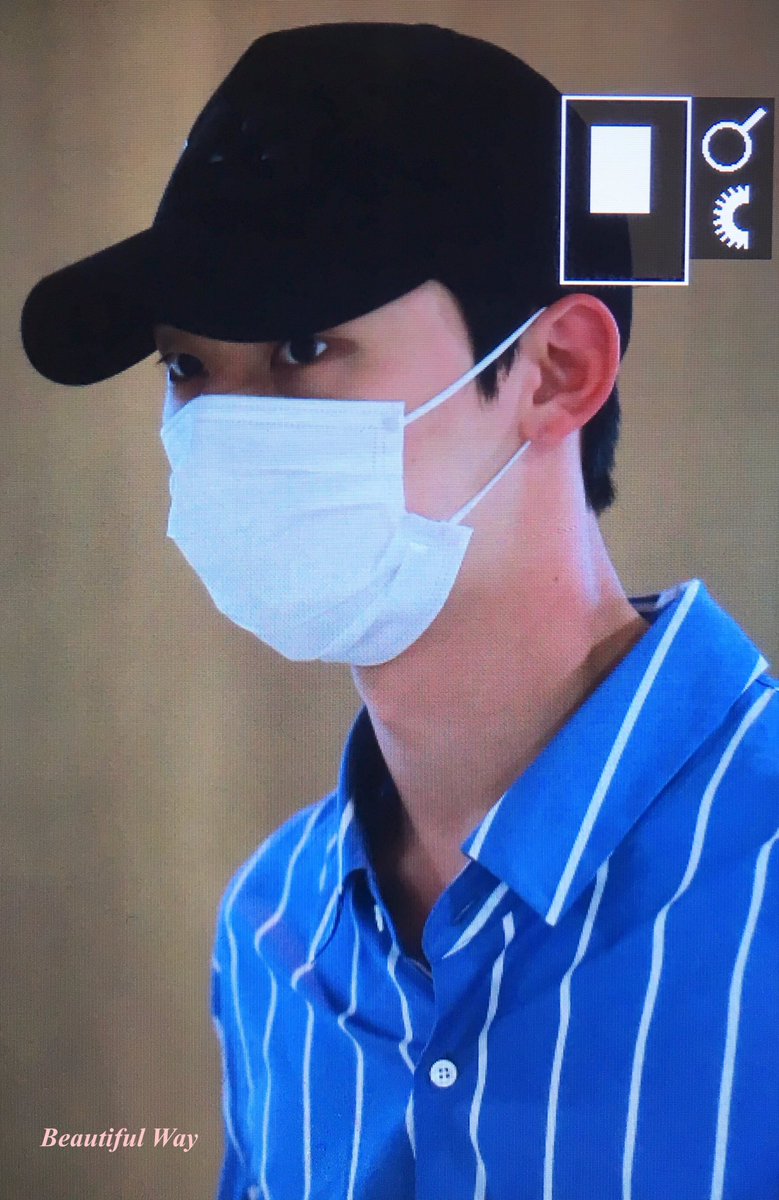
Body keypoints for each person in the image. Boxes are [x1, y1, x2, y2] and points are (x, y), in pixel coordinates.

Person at [21, 20, 779, 1200]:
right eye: (186, 367)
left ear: (556, 370)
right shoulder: (272, 930)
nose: (225, 427)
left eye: (303, 345)